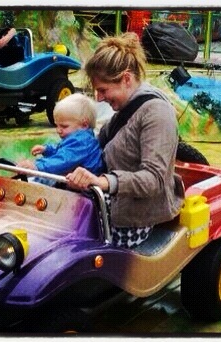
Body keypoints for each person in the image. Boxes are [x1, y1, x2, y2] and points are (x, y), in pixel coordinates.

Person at [65, 32, 184, 248]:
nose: (99, 98)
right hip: (113, 200)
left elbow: (154, 179)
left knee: (75, 243)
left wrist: (104, 182)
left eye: (103, 90)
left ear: (126, 79)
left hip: (136, 213)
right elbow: (95, 145)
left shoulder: (157, 113)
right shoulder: (123, 109)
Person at [17, 93, 104, 186]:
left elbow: (64, 159)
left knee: (34, 182)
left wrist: (36, 166)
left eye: (64, 126)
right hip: (72, 182)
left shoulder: (82, 142)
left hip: (84, 190)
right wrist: (47, 149)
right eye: (57, 125)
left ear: (84, 125)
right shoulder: (77, 138)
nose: (58, 130)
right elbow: (62, 150)